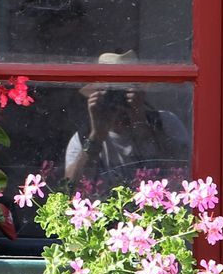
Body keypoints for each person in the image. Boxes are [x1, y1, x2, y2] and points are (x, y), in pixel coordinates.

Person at [63, 52, 191, 186]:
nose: (117, 100)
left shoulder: (165, 123)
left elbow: (184, 168)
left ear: (140, 93)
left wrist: (141, 122)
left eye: (123, 91)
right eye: (110, 93)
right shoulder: (83, 138)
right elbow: (70, 188)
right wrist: (97, 135)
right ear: (96, 95)